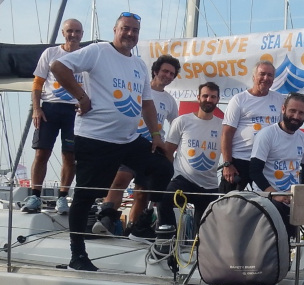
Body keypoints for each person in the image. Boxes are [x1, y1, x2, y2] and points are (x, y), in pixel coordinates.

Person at [50, 12, 174, 271]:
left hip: (129, 140)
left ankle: (145, 224)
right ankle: (78, 255)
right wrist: (81, 97)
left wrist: (156, 136)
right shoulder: (98, 52)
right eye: (125, 29)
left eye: (135, 30)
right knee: (85, 196)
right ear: (115, 29)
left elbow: (147, 103)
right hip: (96, 138)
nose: (130, 34)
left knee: (162, 166)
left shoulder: (139, 64)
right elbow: (58, 67)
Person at [92, 54, 181, 239]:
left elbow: (176, 125)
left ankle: (133, 229)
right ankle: (106, 219)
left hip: (152, 148)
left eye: (172, 73)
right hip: (131, 142)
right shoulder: (138, 89)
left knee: (142, 193)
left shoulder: (170, 101)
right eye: (165, 71)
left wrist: (170, 149)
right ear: (155, 71)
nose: (168, 75)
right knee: (121, 180)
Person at [21, 18, 84, 214]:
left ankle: (63, 197)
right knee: (41, 153)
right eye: (70, 31)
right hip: (49, 108)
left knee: (70, 156)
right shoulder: (50, 53)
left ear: (82, 34)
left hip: (74, 111)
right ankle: (35, 196)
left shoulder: (86, 55)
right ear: (63, 34)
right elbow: (37, 83)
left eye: (77, 31)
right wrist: (36, 109)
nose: (73, 35)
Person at [156, 82, 222, 233]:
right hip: (183, 180)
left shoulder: (222, 125)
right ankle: (167, 238)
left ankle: (201, 253)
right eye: (205, 96)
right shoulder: (182, 121)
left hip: (209, 185)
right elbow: (168, 151)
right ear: (198, 97)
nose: (208, 99)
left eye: (213, 97)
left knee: (204, 231)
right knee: (164, 199)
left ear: (218, 99)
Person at [249, 93, 304, 238]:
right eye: (293, 111)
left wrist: (303, 195)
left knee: (292, 242)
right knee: (275, 240)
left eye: (301, 113)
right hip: (267, 197)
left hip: (291, 199)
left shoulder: (303, 138)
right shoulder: (267, 134)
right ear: (283, 109)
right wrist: (275, 194)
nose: (296, 116)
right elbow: (254, 171)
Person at [220, 60, 285, 192]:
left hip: (266, 162)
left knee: (267, 205)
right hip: (240, 161)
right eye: (262, 74)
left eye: (270, 75)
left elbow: (284, 131)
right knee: (226, 205)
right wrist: (227, 164)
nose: (266, 78)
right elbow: (226, 133)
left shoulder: (280, 100)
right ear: (254, 76)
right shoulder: (239, 100)